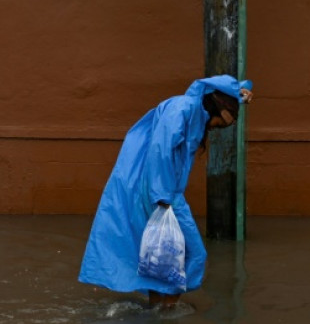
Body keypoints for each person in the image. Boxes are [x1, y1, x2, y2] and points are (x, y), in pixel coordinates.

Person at [79, 75, 253, 308]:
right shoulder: (183, 108)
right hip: (161, 192)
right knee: (194, 254)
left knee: (158, 253)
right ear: (218, 108)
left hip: (158, 190)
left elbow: (219, 87)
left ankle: (156, 309)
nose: (217, 127)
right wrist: (162, 197)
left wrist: (240, 92)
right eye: (221, 122)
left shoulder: (193, 111)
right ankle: (168, 310)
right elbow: (161, 149)